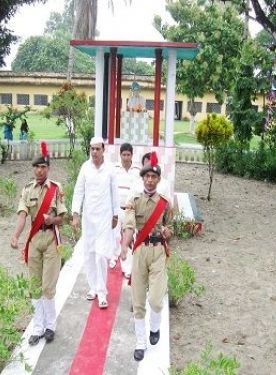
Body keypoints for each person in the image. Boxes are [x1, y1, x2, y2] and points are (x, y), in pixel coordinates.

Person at [10, 141, 67, 346]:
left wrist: (53, 220)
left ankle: (50, 325)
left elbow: (63, 217)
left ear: (48, 169)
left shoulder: (56, 189)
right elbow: (22, 216)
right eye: (37, 167)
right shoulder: (27, 190)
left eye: (43, 167)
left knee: (48, 286)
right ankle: (37, 326)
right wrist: (16, 236)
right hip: (34, 241)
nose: (40, 170)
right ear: (33, 168)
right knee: (35, 286)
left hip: (51, 240)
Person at [120, 152, 173, 361]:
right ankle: (140, 342)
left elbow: (170, 225)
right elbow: (129, 225)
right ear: (143, 178)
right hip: (140, 251)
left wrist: (169, 232)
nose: (150, 180)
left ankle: (155, 328)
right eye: (147, 176)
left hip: (159, 251)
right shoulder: (134, 200)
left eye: (154, 177)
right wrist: (124, 246)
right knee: (139, 300)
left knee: (156, 300)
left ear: (158, 179)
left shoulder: (165, 203)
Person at [71, 136, 119, 309]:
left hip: (105, 218)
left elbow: (115, 193)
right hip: (89, 218)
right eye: (92, 149)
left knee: (101, 254)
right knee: (89, 253)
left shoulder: (111, 169)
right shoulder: (85, 168)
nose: (94, 152)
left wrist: (115, 215)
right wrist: (75, 214)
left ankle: (102, 292)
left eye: (97, 149)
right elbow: (78, 192)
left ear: (103, 150)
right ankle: (93, 287)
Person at [109, 143, 140, 278]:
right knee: (115, 236)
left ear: (132, 155)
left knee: (129, 239)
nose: (126, 157)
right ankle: (113, 257)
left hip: (130, 210)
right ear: (120, 155)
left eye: (128, 155)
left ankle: (127, 268)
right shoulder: (114, 169)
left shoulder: (138, 170)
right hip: (116, 209)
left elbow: (140, 190)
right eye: (123, 154)